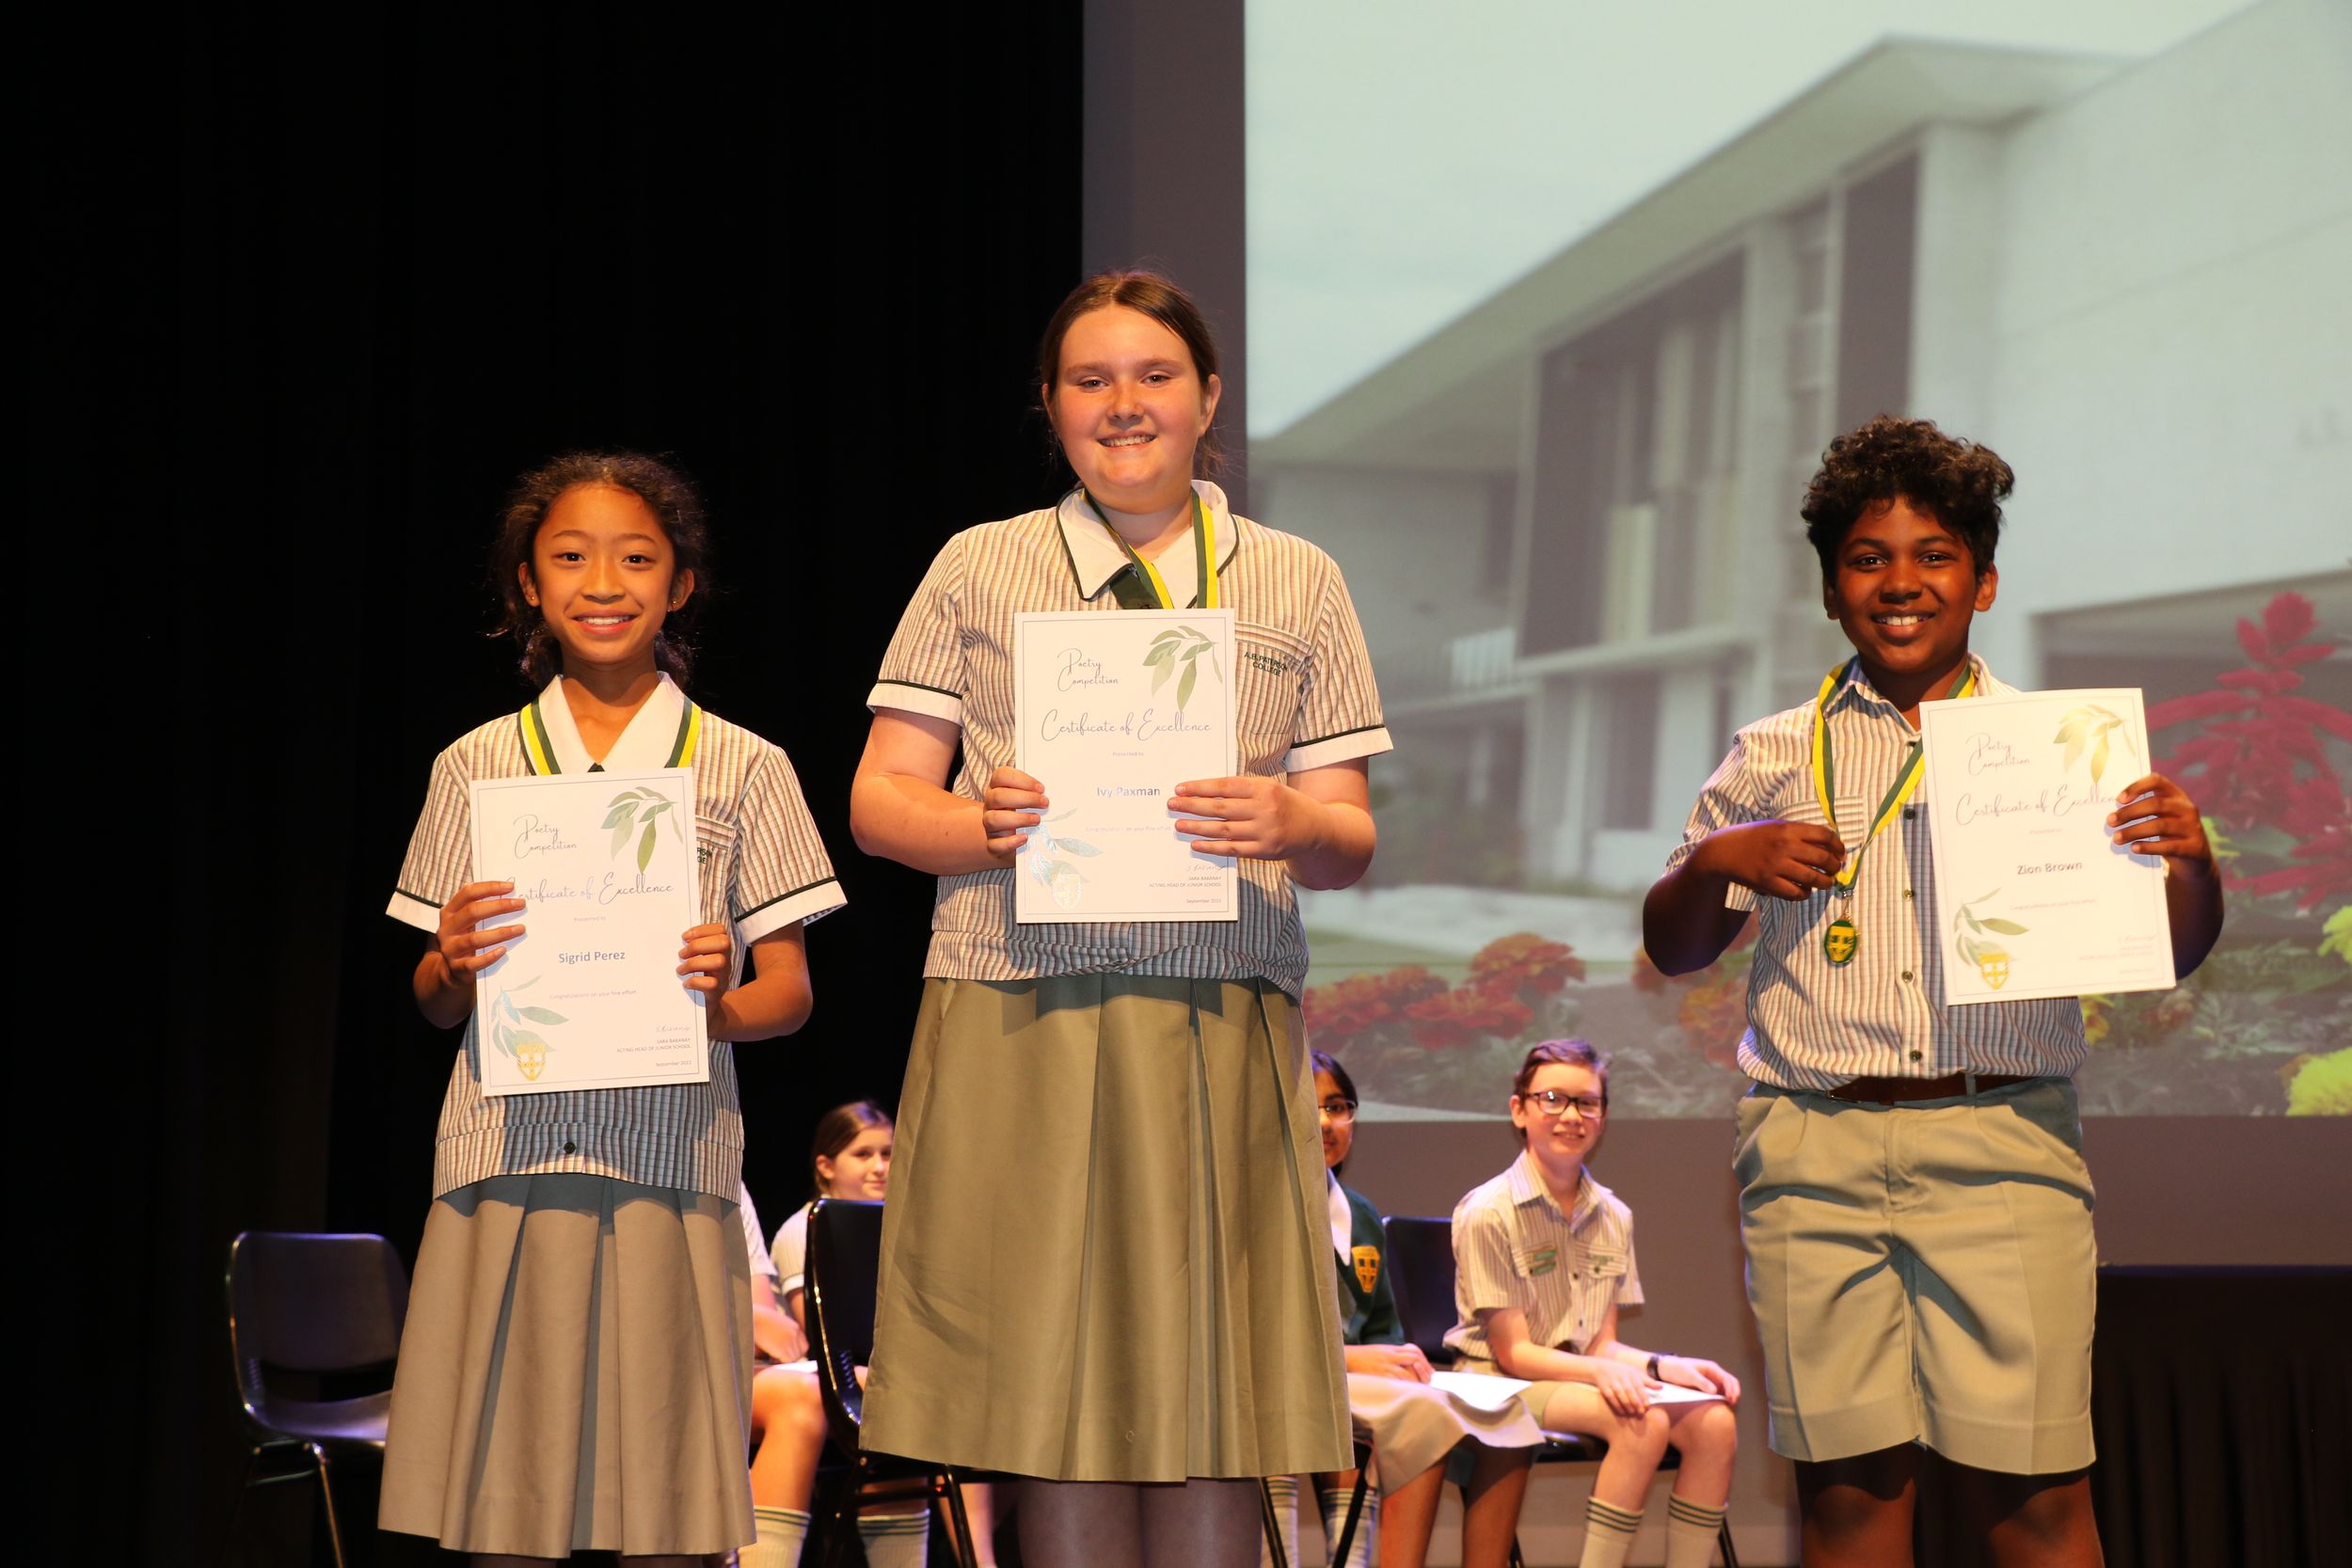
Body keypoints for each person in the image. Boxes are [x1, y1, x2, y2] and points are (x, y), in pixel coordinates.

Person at [850, 269, 1391, 1568]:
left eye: (1154, 375)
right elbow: (878, 800)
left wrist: (1290, 817)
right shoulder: (979, 564)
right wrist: (977, 823)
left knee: (1212, 1394)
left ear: (1208, 397)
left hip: (1217, 1016)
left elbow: (1350, 832)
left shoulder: (1297, 578)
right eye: (1090, 379)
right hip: (1017, 1009)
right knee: (1050, 1396)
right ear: (1050, 405)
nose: (1124, 403)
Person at [1641, 416, 2224, 1567]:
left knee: (2036, 1499)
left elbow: (2171, 948)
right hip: (1810, 1148)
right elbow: (1674, 947)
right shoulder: (1771, 751)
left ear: (1984, 581)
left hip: (2003, 1139)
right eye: (1867, 557)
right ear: (1830, 589)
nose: (1899, 581)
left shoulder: (2064, 753)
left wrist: (2192, 865)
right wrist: (1714, 863)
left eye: (1934, 555)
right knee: (1848, 1498)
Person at [377, 452, 845, 1566]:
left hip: (668, 1159)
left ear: (679, 584)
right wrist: (455, 961)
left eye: (636, 558)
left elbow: (788, 992)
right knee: (506, 1500)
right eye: (570, 556)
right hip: (507, 1155)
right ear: (528, 585)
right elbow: (433, 1000)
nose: (603, 583)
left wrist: (717, 1006)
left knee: (667, 1504)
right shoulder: (474, 764)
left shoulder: (745, 766)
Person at [1448, 1041, 1740, 1568]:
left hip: (1571, 1376)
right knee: (1641, 1422)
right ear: (1519, 1110)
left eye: (1587, 1102)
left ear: (1602, 1117)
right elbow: (1515, 1353)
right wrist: (1599, 1373)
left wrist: (1664, 1366)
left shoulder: (1613, 1214)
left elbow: (1601, 1345)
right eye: (1553, 1099)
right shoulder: (1489, 1210)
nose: (1571, 1116)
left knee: (1715, 1422)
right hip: (1497, 1380)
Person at [1264, 1052, 1549, 1568]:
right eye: (1309, 1106)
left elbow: (1381, 1328)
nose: (1325, 1122)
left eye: (1338, 1107)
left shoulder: (1359, 1215)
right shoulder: (1252, 1209)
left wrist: (1394, 1358)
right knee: (1421, 1415)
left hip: (1350, 1383)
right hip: (1280, 1380)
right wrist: (1350, 1360)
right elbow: (1252, 1339)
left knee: (1509, 1416)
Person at [747, 1101, 998, 1568]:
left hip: (882, 1367)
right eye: (863, 1154)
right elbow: (819, 1339)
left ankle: (976, 1553)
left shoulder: (900, 1226)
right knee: (918, 1397)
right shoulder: (806, 1228)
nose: (880, 1167)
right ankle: (980, 1560)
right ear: (826, 1166)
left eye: (888, 1153)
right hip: (829, 1372)